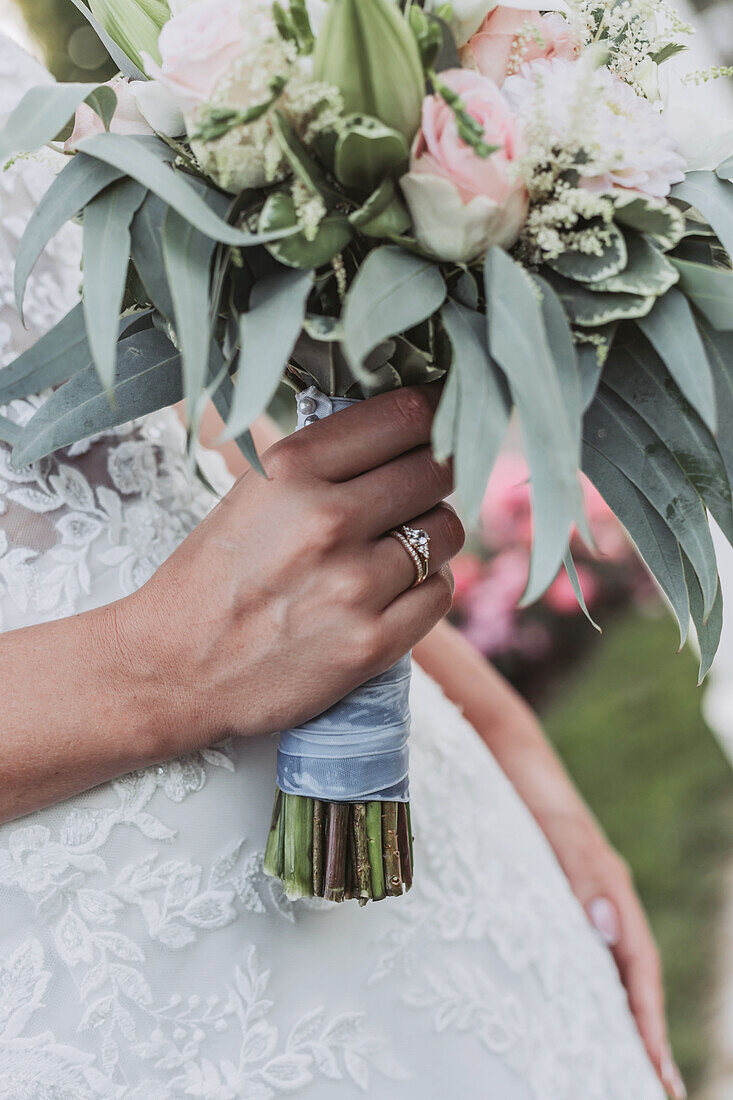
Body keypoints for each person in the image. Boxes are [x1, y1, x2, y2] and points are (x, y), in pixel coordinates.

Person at [0, 33, 682, 1099]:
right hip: (115, 986)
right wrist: (163, 664)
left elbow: (150, 412)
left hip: (426, 844)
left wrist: (511, 746)